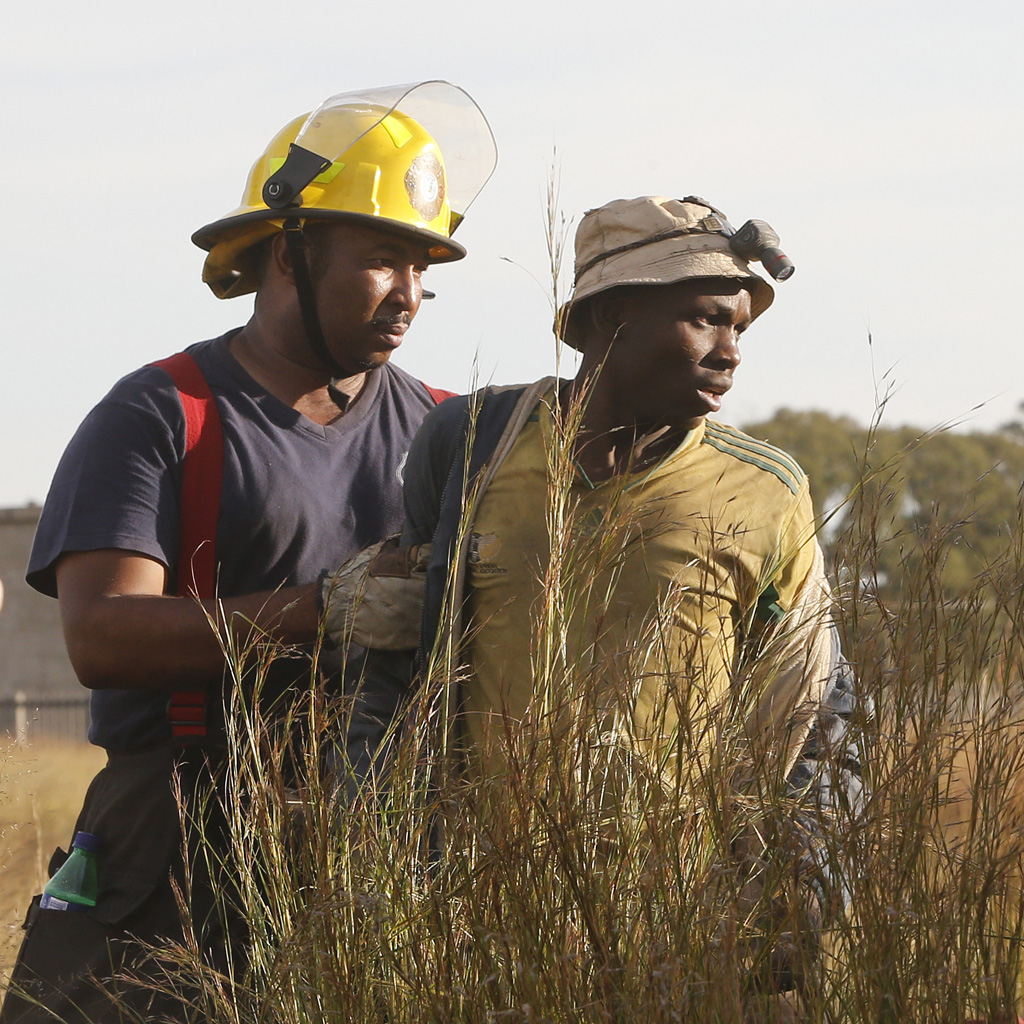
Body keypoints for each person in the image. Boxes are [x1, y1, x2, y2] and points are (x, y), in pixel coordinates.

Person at [0, 82, 496, 1024]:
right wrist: (328, 610)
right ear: (289, 252)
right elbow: (102, 638)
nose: (411, 295)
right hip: (178, 833)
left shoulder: (443, 430)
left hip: (375, 833)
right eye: (384, 259)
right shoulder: (162, 413)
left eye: (425, 270)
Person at [336, 195, 863, 1015]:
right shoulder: (472, 442)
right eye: (703, 320)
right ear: (605, 321)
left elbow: (821, 720)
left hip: (685, 925)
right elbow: (400, 666)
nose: (728, 352)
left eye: (740, 330)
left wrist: (794, 899)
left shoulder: (767, 491)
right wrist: (377, 859)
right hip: (483, 917)